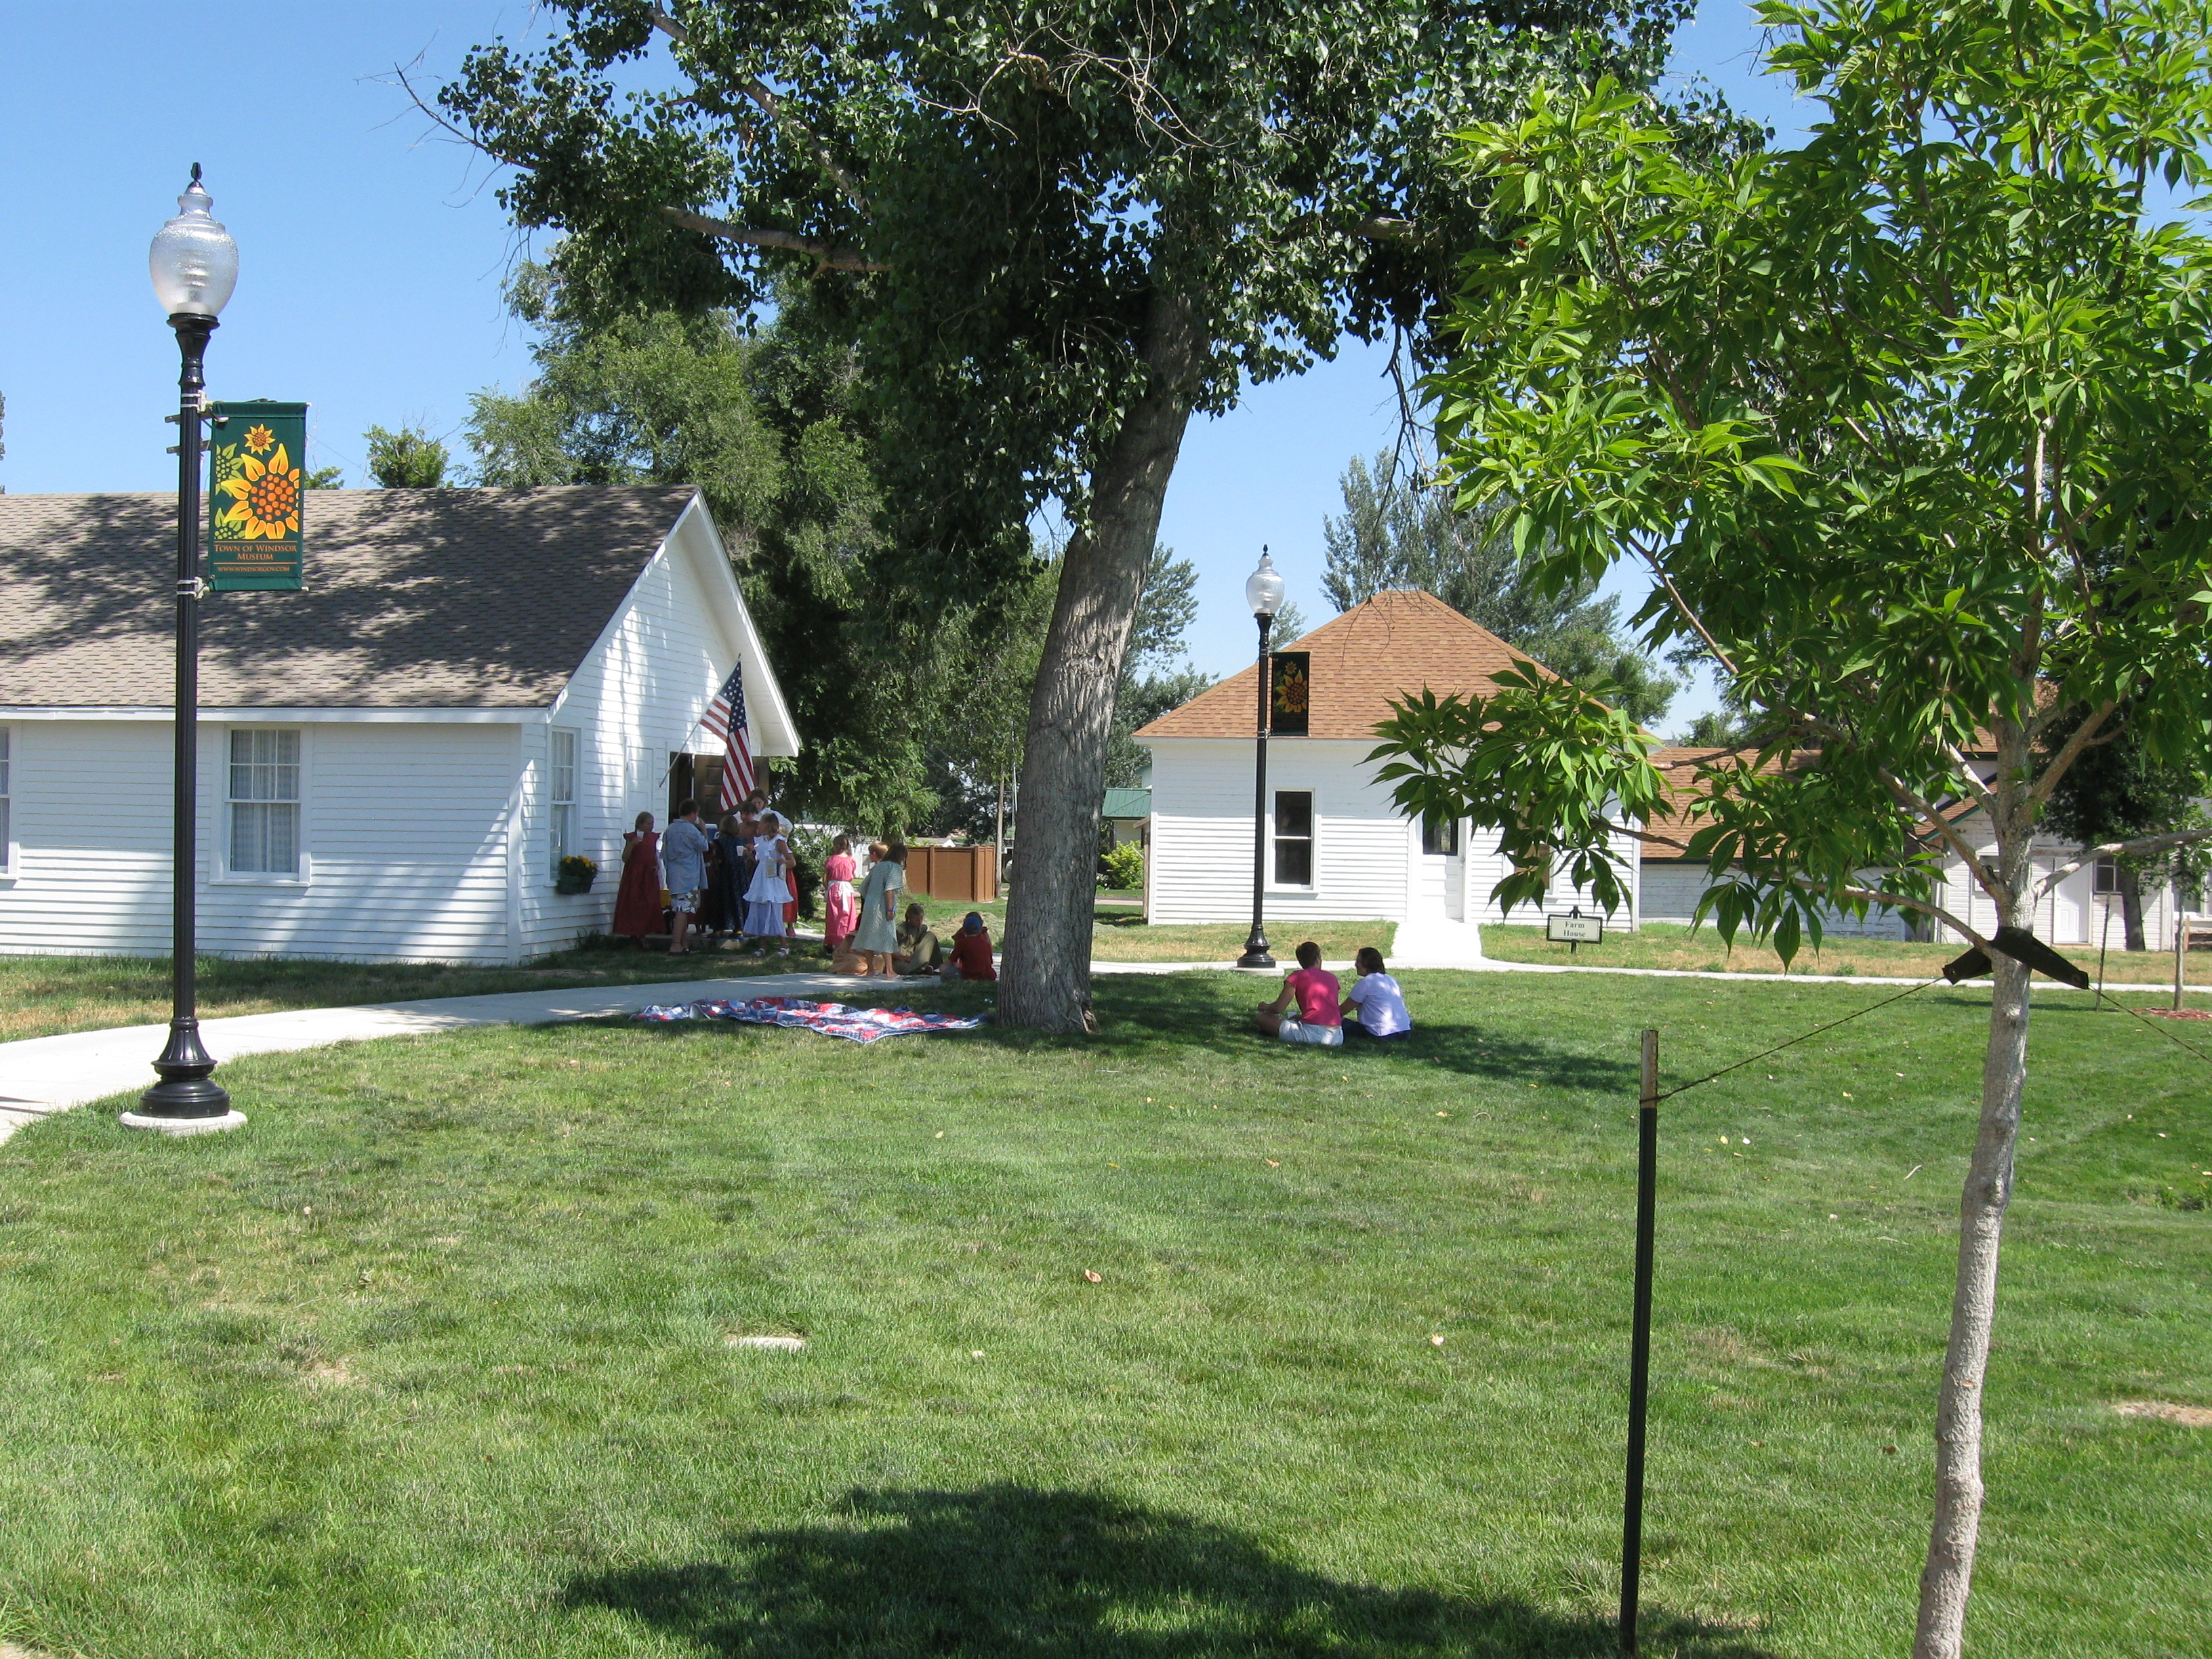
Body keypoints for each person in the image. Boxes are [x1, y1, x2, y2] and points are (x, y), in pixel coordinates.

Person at [1254, 941, 1343, 1046]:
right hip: (1337, 1036)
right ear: (1318, 958)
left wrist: (1264, 1007)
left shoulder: (1297, 976)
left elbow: (1278, 1008)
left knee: (1261, 1017)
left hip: (1312, 1034)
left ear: (1300, 961)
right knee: (1295, 1019)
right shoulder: (1332, 978)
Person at [661, 799, 712, 955]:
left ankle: (684, 943)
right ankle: (676, 944)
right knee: (682, 911)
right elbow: (704, 846)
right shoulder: (691, 830)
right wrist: (703, 829)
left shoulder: (670, 829)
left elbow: (663, 854)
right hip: (688, 876)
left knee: (681, 908)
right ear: (692, 814)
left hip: (674, 875)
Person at [849, 840, 905, 977]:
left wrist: (871, 898)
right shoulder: (894, 868)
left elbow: (863, 887)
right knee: (886, 936)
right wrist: (890, 909)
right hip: (883, 906)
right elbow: (889, 890)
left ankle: (871, 970)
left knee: (869, 936)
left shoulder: (878, 867)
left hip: (870, 905)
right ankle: (890, 971)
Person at [611, 811, 663, 945]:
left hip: (648, 876)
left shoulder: (653, 838)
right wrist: (632, 845)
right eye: (649, 824)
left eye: (653, 824)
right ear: (640, 824)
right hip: (635, 876)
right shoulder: (632, 838)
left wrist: (657, 866)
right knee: (633, 904)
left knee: (649, 903)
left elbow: (653, 855)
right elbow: (625, 859)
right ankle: (633, 935)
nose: (651, 826)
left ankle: (644, 933)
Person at [745, 812, 794, 949]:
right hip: (761, 878)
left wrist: (782, 862)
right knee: (761, 909)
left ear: (766, 825)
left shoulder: (779, 841)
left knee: (774, 910)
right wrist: (748, 854)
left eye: (760, 823)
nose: (758, 826)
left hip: (772, 880)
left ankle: (784, 946)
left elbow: (792, 862)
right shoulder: (761, 841)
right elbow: (758, 861)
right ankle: (762, 946)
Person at [1340, 947, 1412, 1040]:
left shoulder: (1367, 982)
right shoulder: (1390, 979)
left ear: (1367, 963)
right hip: (1405, 1032)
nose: (1356, 965)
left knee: (1340, 1022)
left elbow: (1342, 1011)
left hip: (1381, 1034)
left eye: (1358, 961)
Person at [710, 811, 748, 939]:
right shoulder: (742, 841)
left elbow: (716, 858)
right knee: (738, 900)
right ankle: (739, 928)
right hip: (739, 876)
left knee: (720, 900)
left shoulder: (718, 842)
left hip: (724, 875)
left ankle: (718, 929)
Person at [823, 834, 859, 956]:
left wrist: (827, 887)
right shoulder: (851, 860)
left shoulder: (832, 859)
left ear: (837, 846)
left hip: (835, 889)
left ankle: (832, 940)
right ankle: (846, 940)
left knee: (834, 916)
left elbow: (825, 877)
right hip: (847, 890)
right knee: (846, 915)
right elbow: (852, 875)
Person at [943, 911, 998, 983]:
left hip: (970, 976)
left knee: (944, 969)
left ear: (963, 930)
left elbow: (952, 960)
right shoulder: (985, 942)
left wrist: (944, 968)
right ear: (980, 929)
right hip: (989, 976)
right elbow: (990, 959)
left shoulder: (963, 942)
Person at [894, 902, 941, 975]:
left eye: (921, 920)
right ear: (909, 919)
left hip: (916, 955)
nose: (920, 922)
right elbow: (889, 948)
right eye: (917, 920)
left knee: (930, 936)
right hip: (903, 958)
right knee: (902, 968)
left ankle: (935, 967)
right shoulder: (901, 930)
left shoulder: (921, 928)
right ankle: (920, 969)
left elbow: (924, 930)